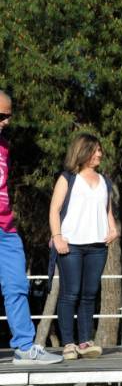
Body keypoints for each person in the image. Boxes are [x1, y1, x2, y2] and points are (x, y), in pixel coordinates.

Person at [0, 90, 63, 365]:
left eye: (8, 116)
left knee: (17, 285)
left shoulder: (4, 146)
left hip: (6, 228)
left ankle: (25, 347)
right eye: (1, 115)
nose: (6, 121)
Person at [49, 133, 117, 360]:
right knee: (70, 294)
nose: (99, 154)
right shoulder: (67, 178)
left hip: (98, 246)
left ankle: (86, 342)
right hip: (71, 245)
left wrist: (112, 228)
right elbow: (54, 210)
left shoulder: (105, 180)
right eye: (95, 150)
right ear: (83, 151)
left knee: (89, 294)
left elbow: (106, 209)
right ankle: (68, 344)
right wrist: (57, 237)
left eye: (100, 150)